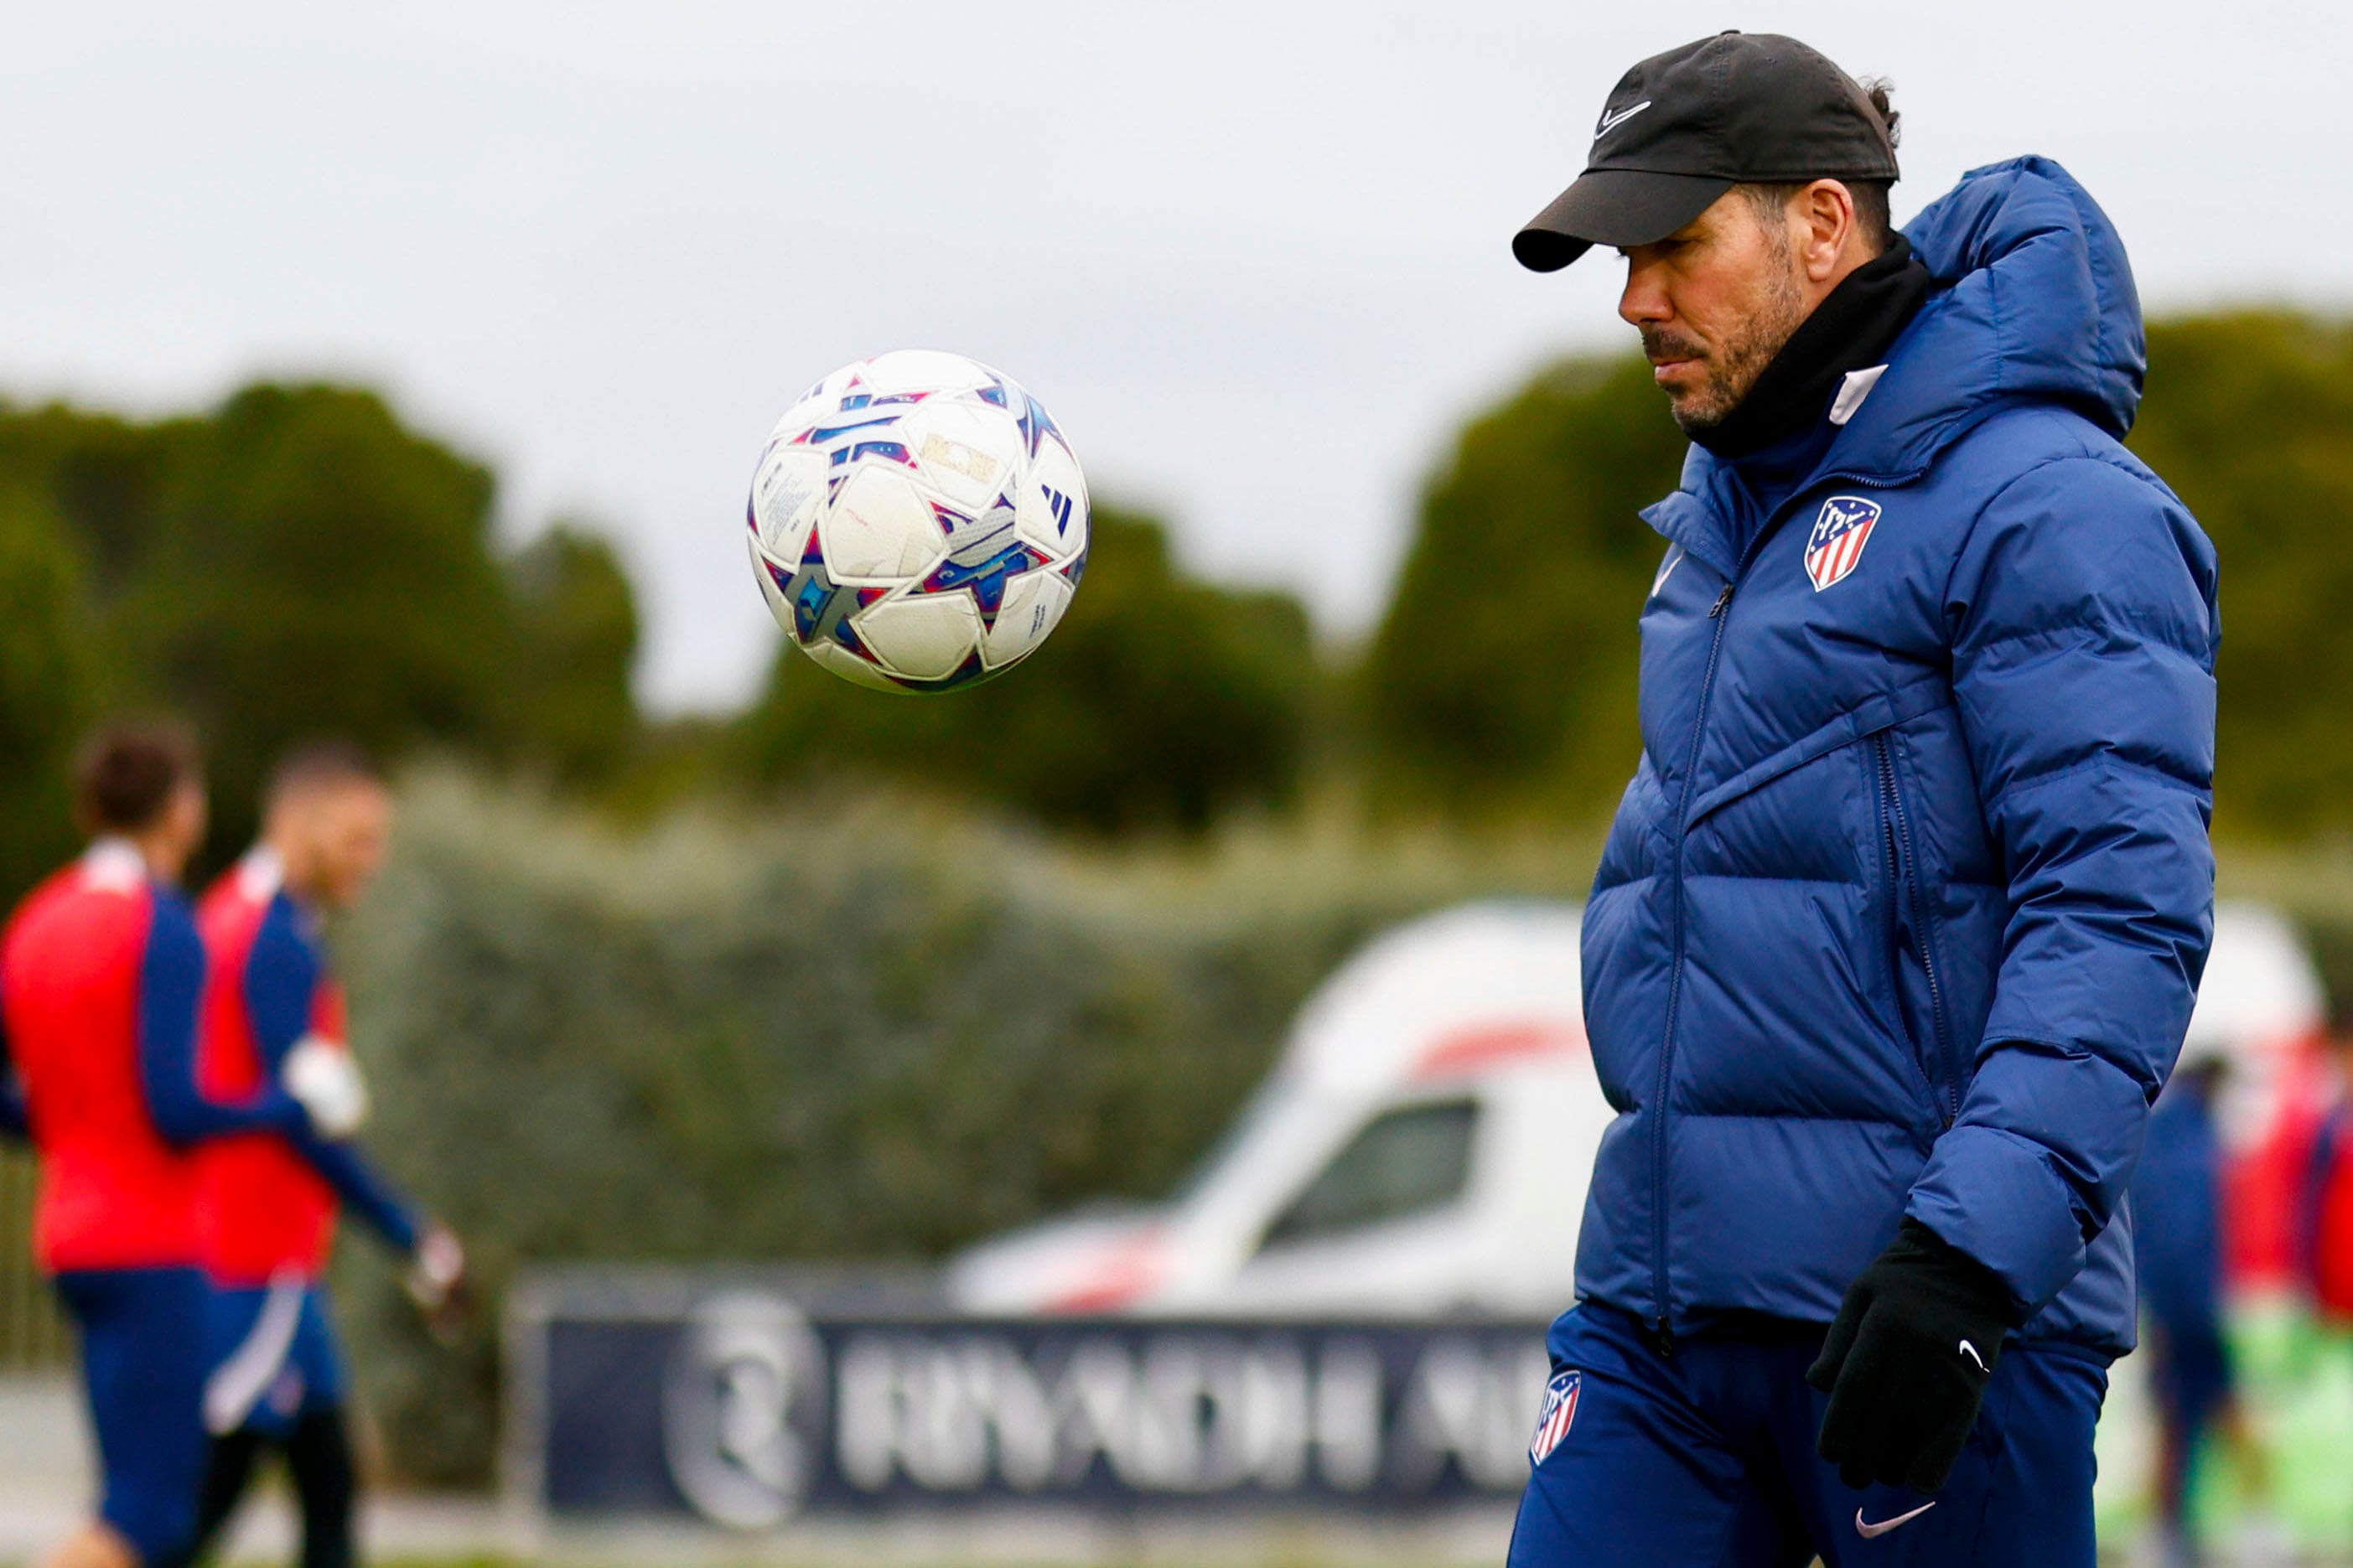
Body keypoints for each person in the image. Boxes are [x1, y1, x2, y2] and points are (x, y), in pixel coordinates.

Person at [1504, 32, 2216, 1566]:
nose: (1635, 298)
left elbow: (2116, 915)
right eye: (1623, 257)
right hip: (1655, 1318)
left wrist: (1969, 1259)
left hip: (1937, 1323)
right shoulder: (1711, 516)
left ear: (1821, 223)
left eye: (1673, 244)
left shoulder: (2052, 504)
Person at [0, 723, 325, 1568]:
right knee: (148, 1514)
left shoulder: (35, 921)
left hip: (67, 1239)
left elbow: (22, 1103)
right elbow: (175, 1109)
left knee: (124, 1496)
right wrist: (289, 1106)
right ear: (181, 810)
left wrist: (74, 1123)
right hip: (149, 1239)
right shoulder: (164, 925)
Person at [169, 742, 465, 1568]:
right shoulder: (273, 939)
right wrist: (413, 1234)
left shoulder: (240, 909)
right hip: (252, 1256)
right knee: (195, 1509)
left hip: (272, 1260)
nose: (372, 859)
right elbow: (299, 1123)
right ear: (300, 823)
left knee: (328, 1490)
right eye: (357, 836)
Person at [2132, 1037, 2265, 1567]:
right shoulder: (2186, 1135)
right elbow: (2181, 1234)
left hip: (2174, 1306)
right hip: (2186, 1310)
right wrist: (2195, 1309)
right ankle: (2235, 1526)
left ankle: (2174, 1532)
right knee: (2212, 1416)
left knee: (2177, 1423)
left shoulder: (2170, 1128)